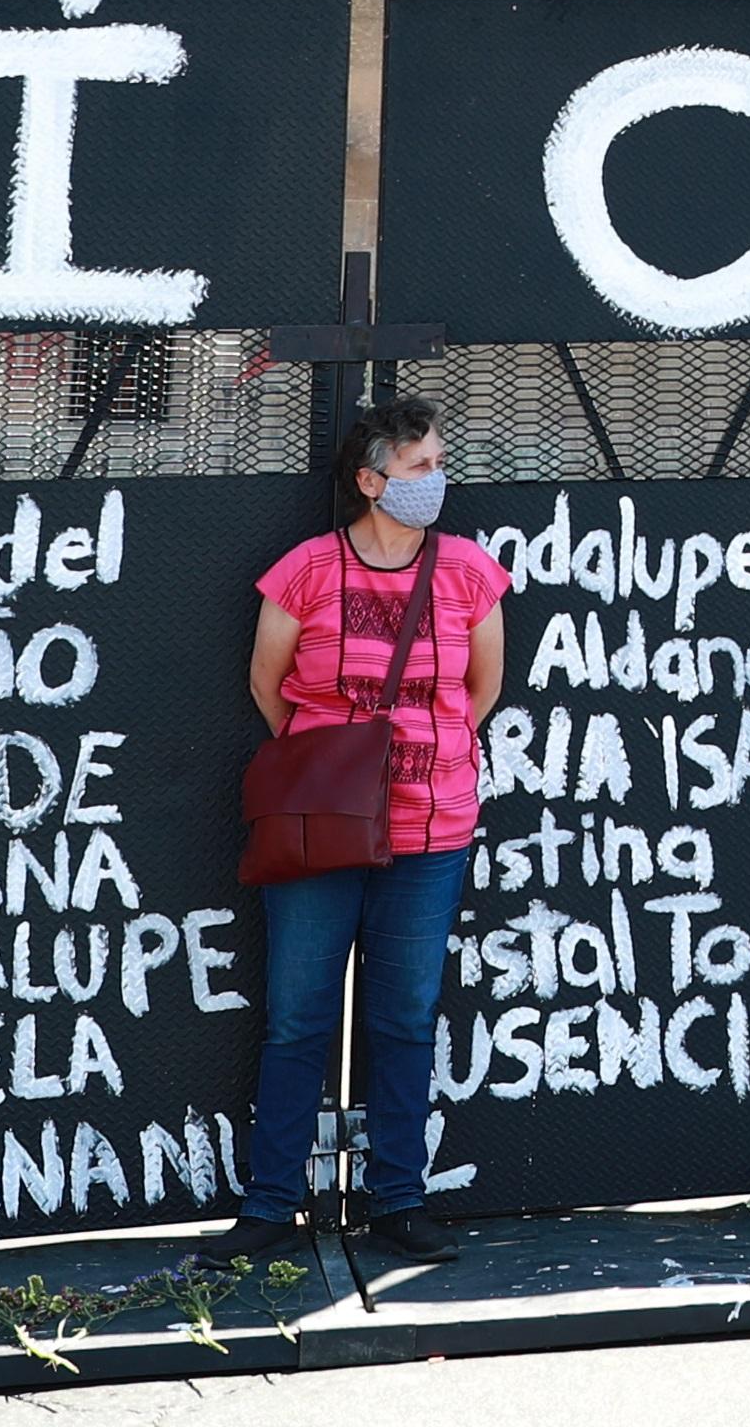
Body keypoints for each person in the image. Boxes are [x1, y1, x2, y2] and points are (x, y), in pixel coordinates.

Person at [235, 399, 510, 1260]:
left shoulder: (469, 572)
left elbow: (482, 692)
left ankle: (398, 1200)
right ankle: (271, 1204)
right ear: (370, 480)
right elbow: (266, 685)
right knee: (296, 1020)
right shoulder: (308, 571)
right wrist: (336, 770)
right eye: (420, 466)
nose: (436, 480)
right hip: (320, 831)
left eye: (437, 464)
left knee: (404, 1019)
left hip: (432, 830)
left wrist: (427, 757)